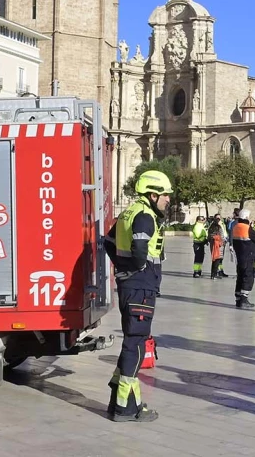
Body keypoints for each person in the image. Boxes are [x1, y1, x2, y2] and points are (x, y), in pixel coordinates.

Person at [103, 169, 171, 422]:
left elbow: (108, 242)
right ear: (152, 195)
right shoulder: (144, 216)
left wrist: (121, 268)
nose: (168, 200)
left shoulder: (128, 212)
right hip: (140, 286)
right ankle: (124, 407)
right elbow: (140, 248)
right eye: (165, 195)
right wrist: (138, 268)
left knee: (132, 340)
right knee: (137, 342)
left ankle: (120, 401)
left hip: (130, 285)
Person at [232, 209, 255, 309]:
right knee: (248, 277)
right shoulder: (247, 228)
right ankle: (244, 299)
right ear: (246, 217)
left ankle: (238, 299)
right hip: (248, 256)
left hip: (239, 256)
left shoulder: (235, 227)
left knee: (240, 277)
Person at [214, 213, 230, 278]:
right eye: (217, 218)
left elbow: (224, 232)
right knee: (217, 257)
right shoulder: (215, 224)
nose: (219, 219)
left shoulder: (222, 224)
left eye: (219, 217)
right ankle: (216, 271)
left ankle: (220, 271)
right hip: (218, 242)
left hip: (223, 242)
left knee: (221, 258)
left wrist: (226, 238)